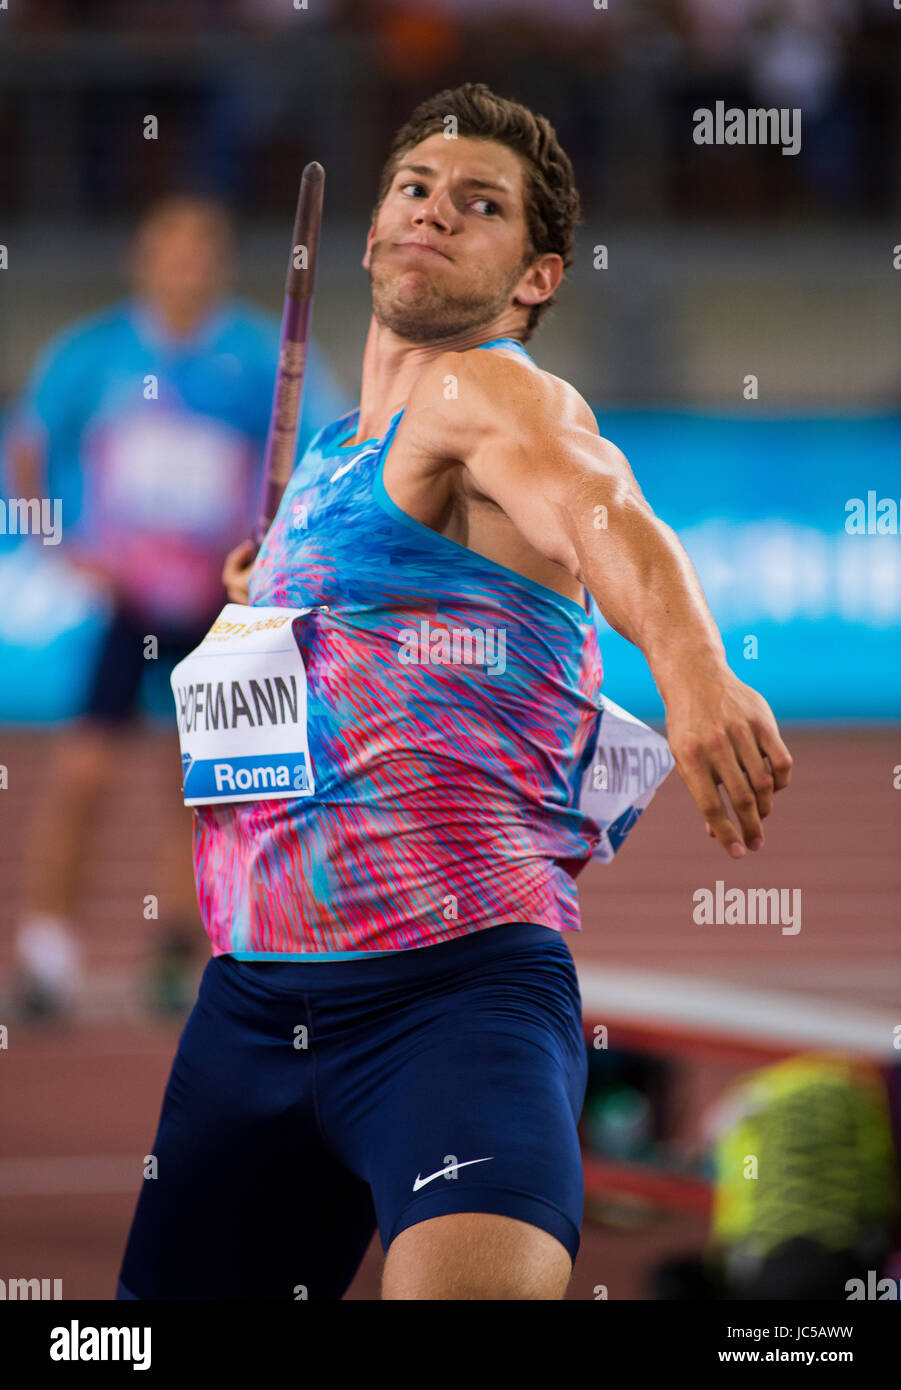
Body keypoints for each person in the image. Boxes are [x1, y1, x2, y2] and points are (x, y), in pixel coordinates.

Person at [118, 84, 792, 1301]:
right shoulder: (336, 457)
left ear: (535, 277)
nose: (435, 214)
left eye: (479, 206)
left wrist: (693, 664)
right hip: (251, 1010)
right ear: (371, 233)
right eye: (417, 191)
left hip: (450, 1006)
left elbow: (602, 508)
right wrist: (263, 597)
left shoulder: (483, 393)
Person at [8, 194, 350, 1019]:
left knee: (198, 784)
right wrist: (59, 546)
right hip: (128, 603)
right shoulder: (94, 354)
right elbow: (28, 442)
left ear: (220, 264)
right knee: (83, 773)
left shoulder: (259, 354)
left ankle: (173, 950)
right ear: (145, 260)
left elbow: (331, 445)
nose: (186, 268)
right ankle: (46, 949)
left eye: (202, 253)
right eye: (171, 251)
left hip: (217, 597)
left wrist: (274, 556)